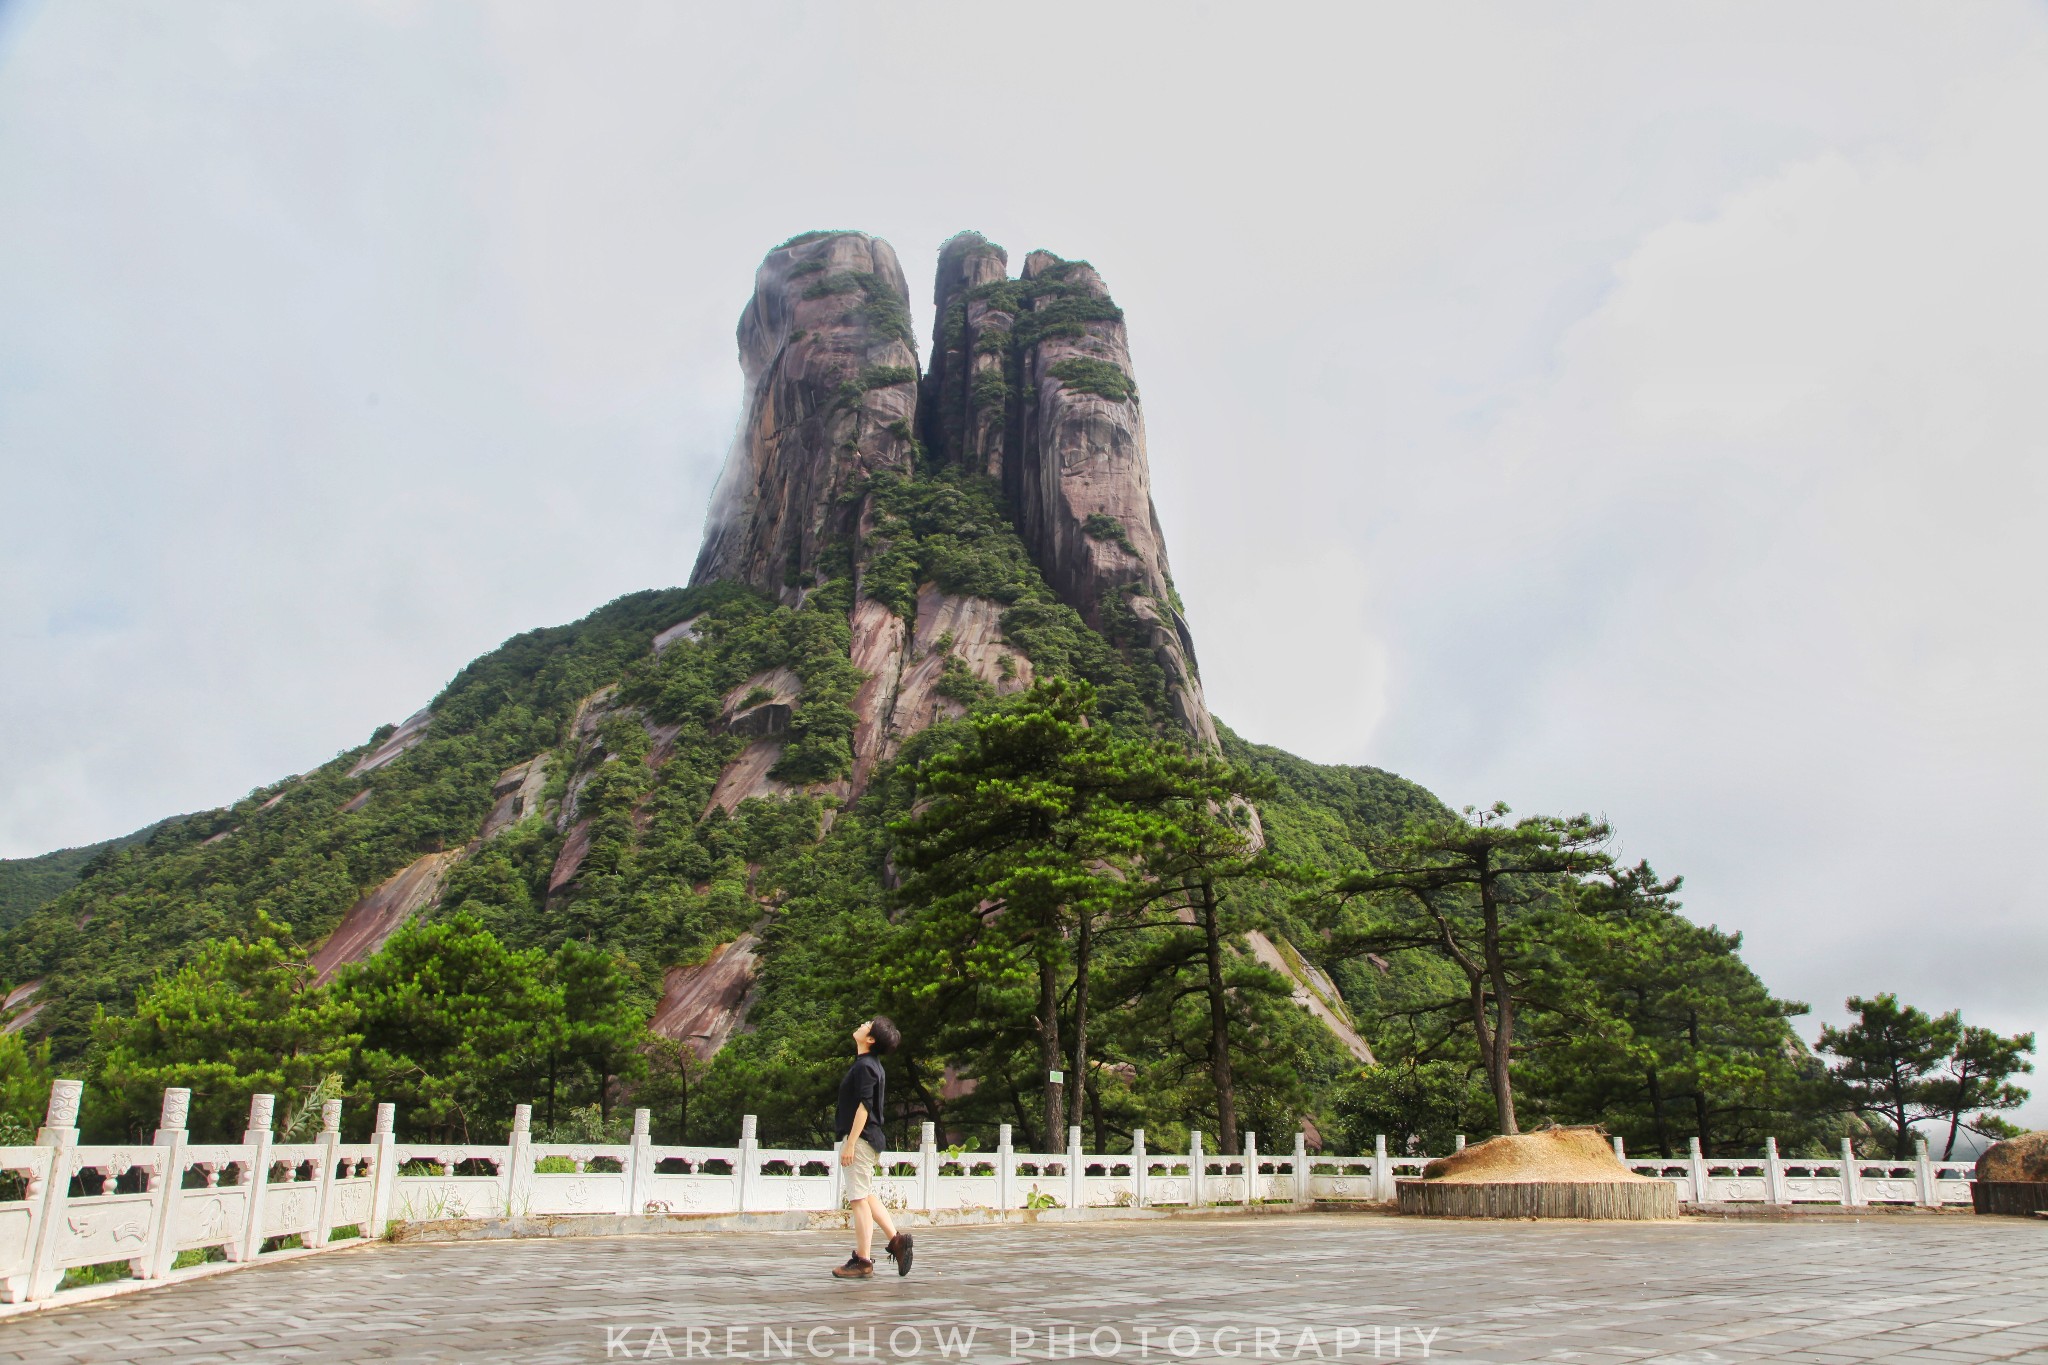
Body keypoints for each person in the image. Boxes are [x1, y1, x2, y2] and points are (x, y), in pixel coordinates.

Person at [832, 1016, 913, 1279]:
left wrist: (851, 1144)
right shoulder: (871, 1065)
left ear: (870, 1039)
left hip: (862, 1138)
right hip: (870, 1138)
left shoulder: (865, 1067)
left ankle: (863, 1261)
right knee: (864, 1194)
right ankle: (896, 1240)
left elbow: (864, 1106)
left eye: (868, 1025)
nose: (862, 1024)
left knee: (857, 1200)